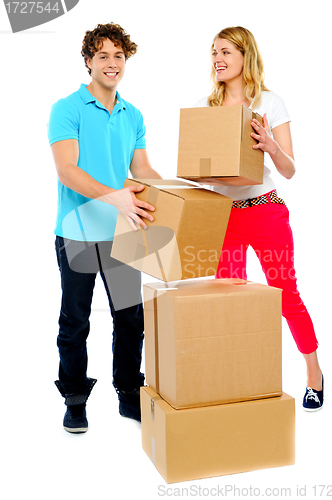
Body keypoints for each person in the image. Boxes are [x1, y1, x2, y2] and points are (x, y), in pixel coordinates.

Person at [195, 26, 323, 411]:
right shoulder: (208, 107)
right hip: (224, 218)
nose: (217, 58)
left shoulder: (270, 102)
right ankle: (237, 380)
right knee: (228, 300)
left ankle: (314, 375)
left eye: (225, 52)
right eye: (213, 52)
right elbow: (204, 170)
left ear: (244, 56)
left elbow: (289, 170)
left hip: (264, 212)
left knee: (286, 296)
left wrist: (269, 145)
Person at [47, 22, 162, 433]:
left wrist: (180, 194)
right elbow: (67, 171)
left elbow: (143, 170)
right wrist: (114, 196)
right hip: (76, 235)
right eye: (103, 56)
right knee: (75, 320)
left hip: (122, 235)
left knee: (131, 319)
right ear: (88, 62)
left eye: (119, 55)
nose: (112, 63)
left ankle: (129, 393)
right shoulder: (68, 108)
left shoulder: (133, 115)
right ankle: (75, 399)